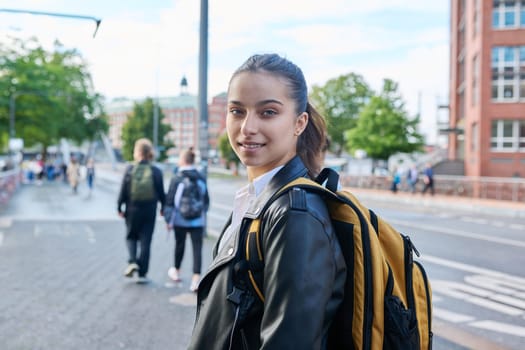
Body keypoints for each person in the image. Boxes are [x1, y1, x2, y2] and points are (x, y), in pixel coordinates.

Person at [188, 53, 346, 349]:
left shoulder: (295, 215)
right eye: (237, 111)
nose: (247, 127)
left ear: (299, 123)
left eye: (268, 112)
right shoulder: (259, 200)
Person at [117, 138, 166, 283]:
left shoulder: (130, 169)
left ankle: (132, 261)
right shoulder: (156, 170)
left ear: (137, 152)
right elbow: (162, 192)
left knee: (131, 236)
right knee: (146, 240)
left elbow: (123, 190)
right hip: (150, 210)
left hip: (132, 209)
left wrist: (119, 206)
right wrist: (163, 208)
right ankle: (142, 273)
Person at [165, 147, 209, 292]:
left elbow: (170, 201)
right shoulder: (201, 177)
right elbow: (206, 200)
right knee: (197, 248)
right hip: (198, 220)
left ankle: (176, 271)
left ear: (183, 160)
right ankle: (196, 279)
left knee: (180, 245)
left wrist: (168, 220)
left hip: (179, 220)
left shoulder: (177, 178)